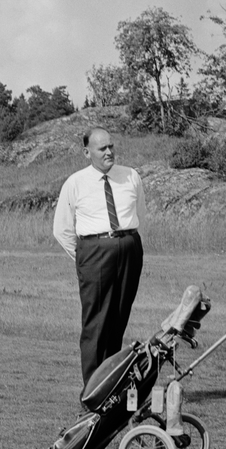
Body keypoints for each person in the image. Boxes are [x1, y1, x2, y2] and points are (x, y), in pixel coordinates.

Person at [53, 128, 147, 384]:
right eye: (102, 148)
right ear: (87, 153)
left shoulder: (130, 176)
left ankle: (111, 384)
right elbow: (61, 229)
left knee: (118, 317)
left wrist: (129, 245)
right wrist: (85, 258)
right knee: (96, 323)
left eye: (111, 146)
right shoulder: (75, 182)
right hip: (94, 252)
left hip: (128, 249)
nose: (109, 152)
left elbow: (139, 214)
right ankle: (93, 390)